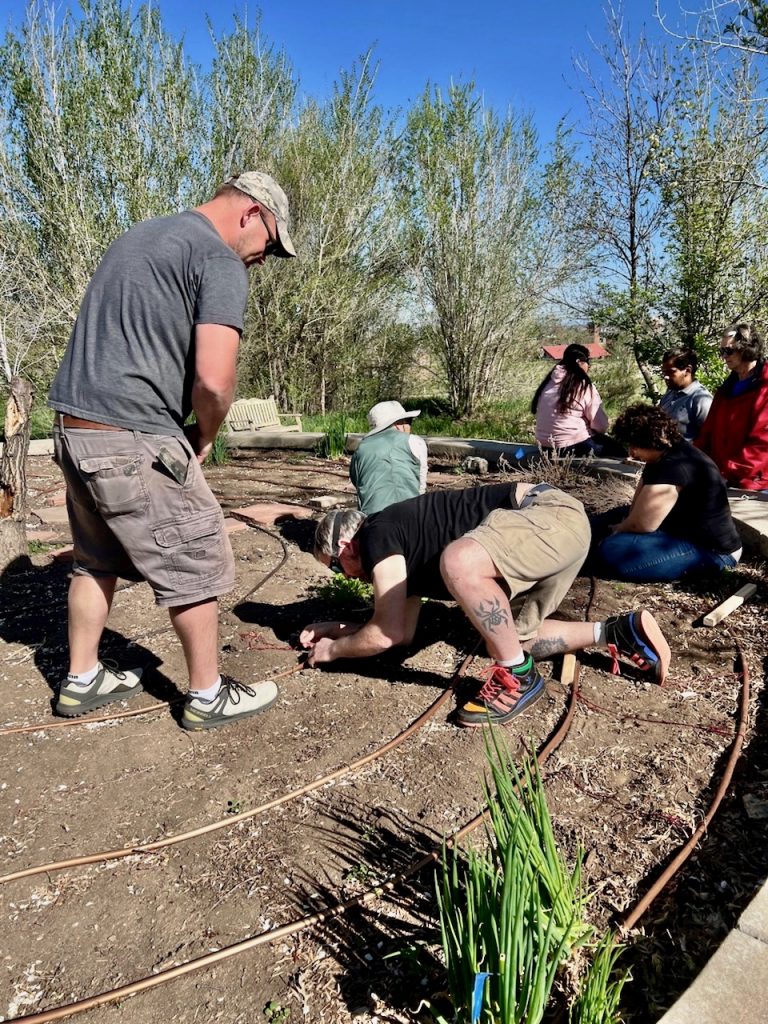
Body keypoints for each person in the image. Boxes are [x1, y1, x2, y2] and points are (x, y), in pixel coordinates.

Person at [48, 171, 296, 729]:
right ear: (252, 214)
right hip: (131, 432)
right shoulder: (218, 258)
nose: (265, 259)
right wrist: (203, 436)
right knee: (196, 554)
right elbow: (213, 379)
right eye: (272, 246)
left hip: (73, 426)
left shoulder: (142, 235)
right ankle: (207, 696)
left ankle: (82, 679)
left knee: (95, 559)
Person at [300, 483, 671, 729]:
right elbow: (396, 630)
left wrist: (333, 652)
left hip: (548, 514)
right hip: (561, 530)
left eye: (335, 566)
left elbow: (385, 634)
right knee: (512, 638)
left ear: (347, 543)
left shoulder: (377, 534)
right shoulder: (398, 551)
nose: (344, 576)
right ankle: (618, 632)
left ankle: (517, 678)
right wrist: (343, 630)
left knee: (459, 561)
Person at [592, 405, 742, 582]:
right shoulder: (664, 454)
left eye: (634, 446)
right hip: (676, 529)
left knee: (613, 549)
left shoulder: (675, 465)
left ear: (650, 440)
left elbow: (642, 524)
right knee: (603, 520)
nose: (631, 453)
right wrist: (621, 522)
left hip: (711, 551)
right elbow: (637, 507)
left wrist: (618, 529)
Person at [695, 323, 768, 491]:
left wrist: (727, 472)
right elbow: (707, 433)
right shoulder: (726, 389)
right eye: (721, 351)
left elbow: (762, 445)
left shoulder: (764, 387)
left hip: (754, 485)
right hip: (723, 479)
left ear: (746, 348)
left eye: (728, 351)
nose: (723, 357)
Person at [349, 400, 428, 516]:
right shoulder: (416, 442)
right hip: (410, 519)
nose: (410, 426)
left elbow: (357, 483)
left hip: (372, 522)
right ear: (398, 423)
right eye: (409, 421)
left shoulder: (360, 450)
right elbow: (421, 488)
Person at [532, 343, 609, 456]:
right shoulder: (583, 384)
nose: (589, 366)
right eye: (588, 362)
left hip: (544, 446)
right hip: (572, 445)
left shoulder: (547, 383)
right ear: (579, 362)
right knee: (620, 452)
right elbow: (600, 425)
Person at [658, 347, 712, 441]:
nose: (666, 377)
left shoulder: (701, 400)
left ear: (687, 370)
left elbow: (711, 439)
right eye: (664, 372)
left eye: (671, 372)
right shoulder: (668, 396)